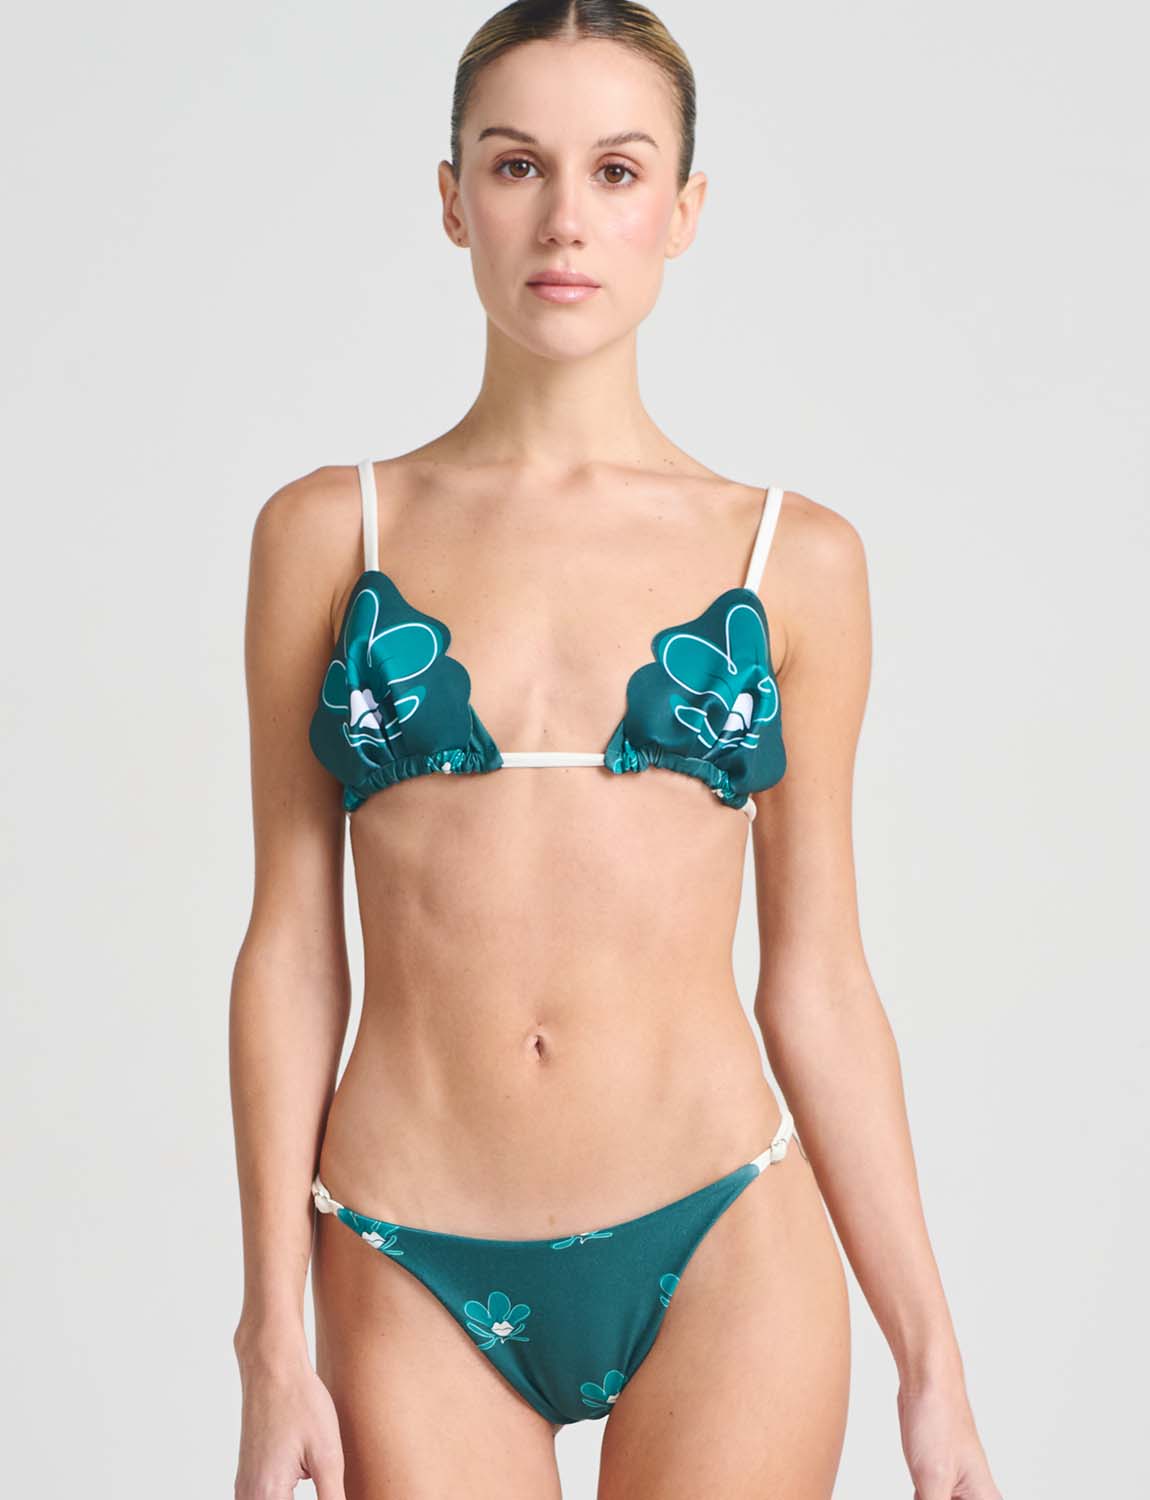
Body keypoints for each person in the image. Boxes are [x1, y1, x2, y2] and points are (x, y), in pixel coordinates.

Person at [230, 4, 1003, 1497]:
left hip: (721, 1231)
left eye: (618, 170)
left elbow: (819, 978)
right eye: (517, 165)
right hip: (405, 1240)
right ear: (452, 197)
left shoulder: (792, 560)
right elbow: (288, 949)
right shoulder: (329, 535)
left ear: (684, 211)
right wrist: (269, 1334)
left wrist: (932, 1358)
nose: (566, 220)